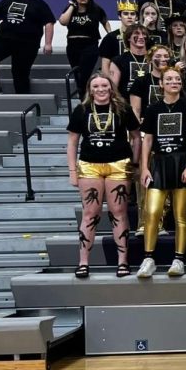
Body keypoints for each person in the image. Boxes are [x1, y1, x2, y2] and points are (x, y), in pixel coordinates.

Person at [65, 72, 138, 278]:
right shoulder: (82, 110)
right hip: (89, 165)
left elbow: (136, 137)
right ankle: (83, 262)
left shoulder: (123, 108)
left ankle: (122, 262)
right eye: (95, 86)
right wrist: (72, 170)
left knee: (119, 212)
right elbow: (72, 142)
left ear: (111, 87)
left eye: (104, 85)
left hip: (119, 164)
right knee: (90, 213)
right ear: (90, 89)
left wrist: (136, 162)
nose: (100, 90)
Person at [137, 67, 186, 278]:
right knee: (152, 212)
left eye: (177, 79)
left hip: (182, 161)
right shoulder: (152, 109)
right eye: (169, 79)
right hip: (159, 163)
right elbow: (147, 141)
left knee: (181, 215)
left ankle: (179, 259)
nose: (174, 82)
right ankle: (148, 258)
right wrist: (144, 167)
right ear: (161, 84)